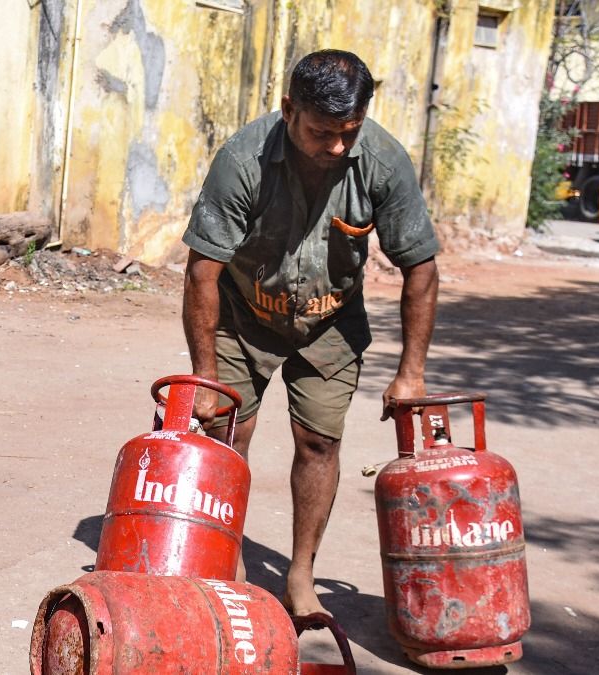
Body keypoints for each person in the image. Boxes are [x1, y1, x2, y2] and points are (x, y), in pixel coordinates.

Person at [180, 50, 439, 617]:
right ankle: (232, 570)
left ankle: (301, 577)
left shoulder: (383, 162)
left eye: (349, 132)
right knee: (228, 434)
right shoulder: (242, 161)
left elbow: (419, 267)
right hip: (243, 315)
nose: (338, 147)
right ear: (288, 109)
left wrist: (411, 372)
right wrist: (204, 374)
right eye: (323, 133)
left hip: (331, 322)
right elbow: (203, 270)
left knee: (319, 442)